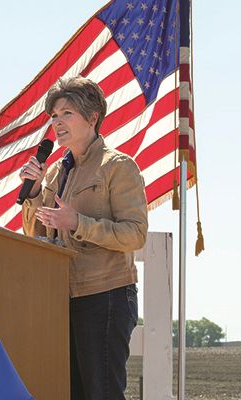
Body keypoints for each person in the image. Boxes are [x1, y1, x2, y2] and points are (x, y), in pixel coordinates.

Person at [20, 76, 148, 400]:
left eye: (67, 114)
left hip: (104, 297)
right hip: (60, 298)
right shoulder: (52, 173)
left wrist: (79, 222)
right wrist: (33, 193)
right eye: (53, 116)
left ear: (92, 117)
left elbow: (135, 234)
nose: (57, 123)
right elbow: (35, 235)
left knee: (101, 394)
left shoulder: (118, 167)